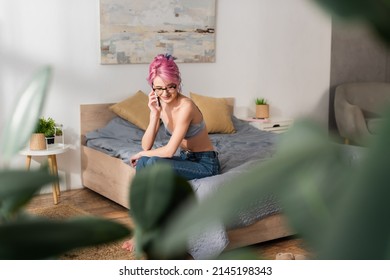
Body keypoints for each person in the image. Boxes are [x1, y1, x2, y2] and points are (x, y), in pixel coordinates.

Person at [122, 53, 220, 252]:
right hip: (186, 159)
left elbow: (168, 151)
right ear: (152, 88)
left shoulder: (186, 106)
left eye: (170, 87)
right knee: (144, 163)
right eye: (159, 88)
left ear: (178, 82)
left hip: (205, 164)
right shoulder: (161, 105)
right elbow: (147, 145)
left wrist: (142, 154)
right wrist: (154, 114)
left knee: (151, 162)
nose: (165, 93)